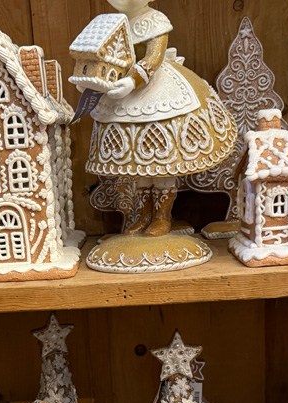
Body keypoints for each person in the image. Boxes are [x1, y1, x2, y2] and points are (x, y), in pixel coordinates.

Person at [79, 0, 236, 237]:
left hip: (153, 88)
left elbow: (153, 58)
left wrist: (133, 81)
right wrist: (91, 79)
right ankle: (144, 215)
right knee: (142, 167)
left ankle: (162, 217)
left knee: (161, 162)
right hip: (121, 93)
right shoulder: (108, 24)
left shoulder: (155, 21)